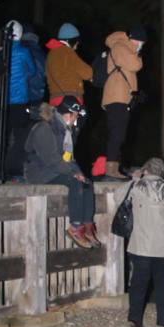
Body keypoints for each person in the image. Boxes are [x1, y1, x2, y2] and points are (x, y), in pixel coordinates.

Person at [23, 96, 97, 248]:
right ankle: (75, 227)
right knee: (75, 182)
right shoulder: (44, 128)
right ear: (66, 114)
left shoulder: (65, 132)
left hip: (55, 169)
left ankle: (87, 225)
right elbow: (51, 160)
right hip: (39, 172)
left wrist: (79, 173)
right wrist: (73, 174)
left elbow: (69, 158)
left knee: (87, 183)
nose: (76, 120)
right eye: (74, 116)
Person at [121, 157, 164, 327]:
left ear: (146, 170)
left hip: (142, 244)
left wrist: (135, 178)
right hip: (163, 245)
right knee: (163, 285)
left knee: (139, 284)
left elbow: (118, 197)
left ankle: (136, 320)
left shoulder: (137, 187)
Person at [101, 24, 146, 179]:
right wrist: (138, 54)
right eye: (141, 43)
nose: (141, 46)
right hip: (116, 97)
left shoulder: (124, 48)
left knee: (119, 133)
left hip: (120, 97)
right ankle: (111, 168)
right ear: (136, 40)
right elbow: (136, 64)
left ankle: (115, 166)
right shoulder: (120, 47)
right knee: (117, 134)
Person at [5, 20, 38, 178]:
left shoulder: (2, 50)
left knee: (5, 133)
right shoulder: (24, 51)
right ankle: (17, 170)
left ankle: (2, 167)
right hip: (20, 98)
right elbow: (32, 70)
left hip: (4, 98)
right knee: (20, 135)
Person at [45, 22, 93, 105]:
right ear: (69, 40)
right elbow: (88, 73)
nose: (77, 44)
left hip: (54, 99)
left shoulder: (51, 54)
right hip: (70, 99)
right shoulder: (67, 52)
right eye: (76, 41)